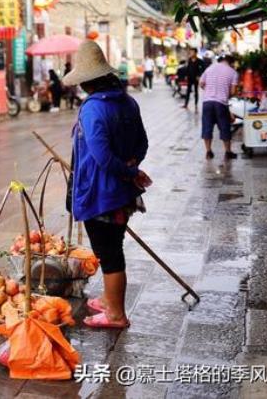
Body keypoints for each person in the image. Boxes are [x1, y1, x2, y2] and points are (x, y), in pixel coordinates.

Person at [62, 41, 151, 329]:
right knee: (113, 245)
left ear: (88, 81)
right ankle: (109, 300)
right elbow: (142, 143)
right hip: (121, 193)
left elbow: (101, 157)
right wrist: (132, 168)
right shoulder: (127, 101)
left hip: (101, 193)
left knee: (109, 253)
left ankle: (115, 314)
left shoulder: (92, 109)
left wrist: (125, 172)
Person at [199, 55, 239, 160]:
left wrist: (209, 91)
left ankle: (208, 151)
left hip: (207, 102)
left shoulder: (210, 68)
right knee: (224, 127)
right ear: (230, 62)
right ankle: (228, 152)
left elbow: (201, 83)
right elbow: (233, 91)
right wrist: (226, 94)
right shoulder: (233, 72)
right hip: (221, 103)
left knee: (207, 126)